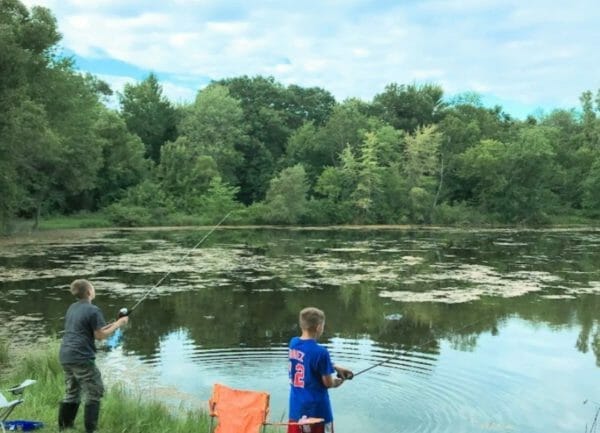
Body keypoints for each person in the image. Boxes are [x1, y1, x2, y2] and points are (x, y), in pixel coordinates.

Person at [58, 279, 129, 432]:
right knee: (94, 391)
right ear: (89, 292)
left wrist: (115, 323)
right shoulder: (93, 310)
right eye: (93, 288)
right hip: (81, 357)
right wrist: (119, 324)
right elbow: (100, 336)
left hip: (66, 355)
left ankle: (65, 427)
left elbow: (94, 329)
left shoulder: (72, 307)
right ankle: (91, 430)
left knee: (72, 391)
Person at [288, 307, 353, 433]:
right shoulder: (321, 352)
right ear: (318, 327)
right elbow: (328, 383)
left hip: (296, 409)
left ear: (302, 325)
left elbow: (307, 358)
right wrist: (338, 382)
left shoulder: (293, 343)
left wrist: (334, 366)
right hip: (318, 411)